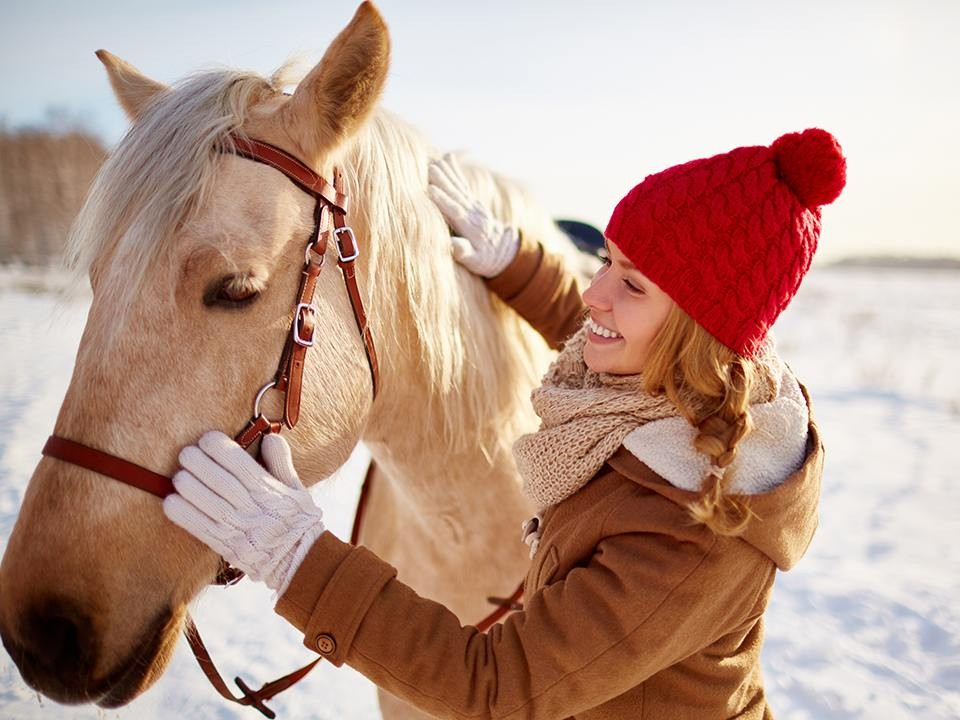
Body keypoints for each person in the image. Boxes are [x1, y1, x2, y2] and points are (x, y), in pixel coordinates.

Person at [164, 127, 846, 719]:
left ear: (700, 329)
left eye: (632, 284)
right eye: (607, 260)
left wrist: (296, 559)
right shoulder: (685, 380)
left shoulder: (693, 534)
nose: (595, 292)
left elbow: (495, 686)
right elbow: (587, 331)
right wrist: (511, 258)